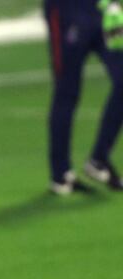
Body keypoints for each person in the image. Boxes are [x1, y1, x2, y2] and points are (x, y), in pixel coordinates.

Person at [45, 0, 123, 194]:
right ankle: (60, 174)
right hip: (67, 11)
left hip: (105, 10)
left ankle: (99, 159)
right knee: (67, 91)